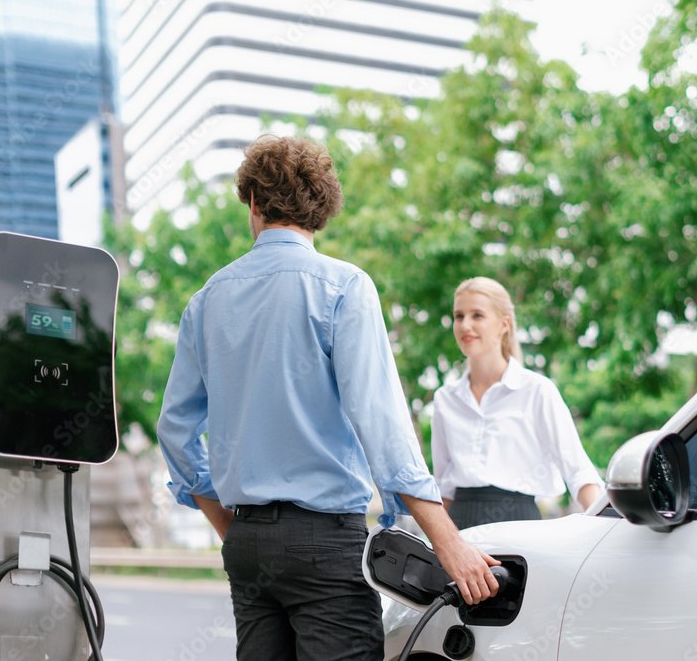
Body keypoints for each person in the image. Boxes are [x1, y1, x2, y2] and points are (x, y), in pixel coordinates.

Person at [156, 134, 499, 661]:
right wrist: (448, 542)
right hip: (322, 545)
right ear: (321, 208)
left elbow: (176, 432)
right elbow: (381, 425)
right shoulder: (343, 287)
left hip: (246, 546)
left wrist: (231, 527)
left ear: (252, 202)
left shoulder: (206, 301)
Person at [432, 277, 603, 530]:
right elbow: (443, 487)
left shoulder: (537, 391)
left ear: (504, 324)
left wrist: (605, 530)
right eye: (459, 316)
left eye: (477, 315)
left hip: (520, 529)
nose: (465, 325)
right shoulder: (445, 398)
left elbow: (578, 471)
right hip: (459, 531)